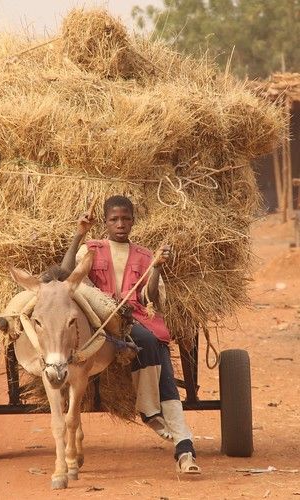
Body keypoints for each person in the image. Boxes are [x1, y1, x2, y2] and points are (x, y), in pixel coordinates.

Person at [61, 195, 200, 474]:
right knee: (149, 341)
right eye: (114, 219)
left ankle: (180, 441)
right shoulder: (91, 249)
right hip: (101, 317)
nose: (120, 224)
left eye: (126, 219)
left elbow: (150, 297)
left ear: (133, 221)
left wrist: (157, 267)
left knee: (155, 344)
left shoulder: (146, 255)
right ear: (106, 222)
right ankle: (154, 414)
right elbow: (66, 274)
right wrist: (79, 234)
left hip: (133, 317)